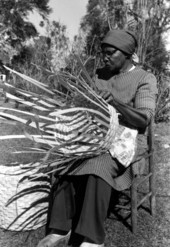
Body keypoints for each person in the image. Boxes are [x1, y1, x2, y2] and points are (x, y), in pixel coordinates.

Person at [37, 29, 158, 247]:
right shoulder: (98, 75)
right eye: (103, 52)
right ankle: (60, 228)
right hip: (95, 134)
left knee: (98, 164)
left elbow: (144, 119)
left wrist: (116, 104)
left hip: (126, 140)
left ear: (127, 53)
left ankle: (92, 238)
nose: (105, 57)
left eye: (111, 52)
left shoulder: (144, 78)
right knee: (67, 160)